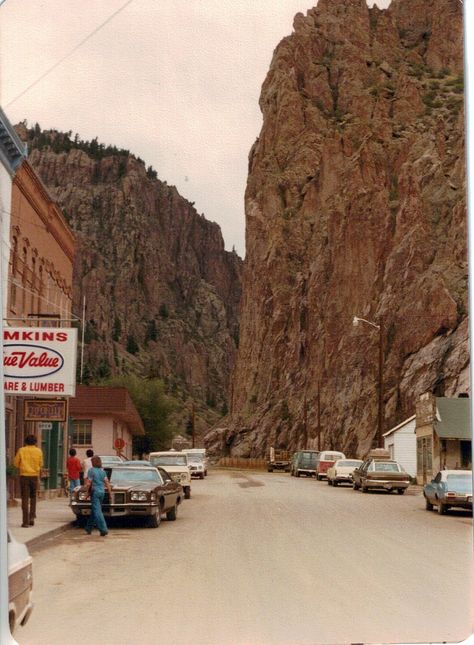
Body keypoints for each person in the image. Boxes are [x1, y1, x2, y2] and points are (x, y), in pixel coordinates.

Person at [13, 434, 44, 527]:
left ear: (25, 442)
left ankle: (25, 522)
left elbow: (15, 463)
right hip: (34, 476)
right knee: (33, 497)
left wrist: (23, 466)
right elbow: (41, 464)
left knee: (25, 498)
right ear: (35, 442)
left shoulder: (21, 450)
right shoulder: (39, 451)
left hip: (24, 476)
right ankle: (32, 517)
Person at [84, 455, 112, 536]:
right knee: (95, 510)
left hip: (95, 492)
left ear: (93, 462)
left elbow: (89, 483)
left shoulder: (91, 471)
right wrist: (110, 493)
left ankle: (103, 529)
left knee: (97, 512)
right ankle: (88, 528)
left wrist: (86, 493)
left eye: (92, 461)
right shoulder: (102, 471)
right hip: (102, 492)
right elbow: (107, 483)